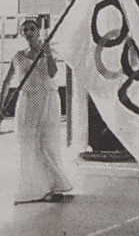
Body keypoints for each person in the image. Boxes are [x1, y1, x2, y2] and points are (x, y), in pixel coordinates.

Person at [0, 19, 72, 204]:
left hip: (47, 99)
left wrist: (47, 54)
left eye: (32, 29)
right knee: (27, 143)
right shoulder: (17, 56)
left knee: (47, 142)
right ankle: (33, 187)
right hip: (27, 101)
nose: (29, 32)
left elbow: (53, 73)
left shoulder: (47, 51)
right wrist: (2, 105)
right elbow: (7, 83)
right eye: (25, 30)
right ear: (22, 34)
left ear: (38, 31)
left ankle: (54, 185)